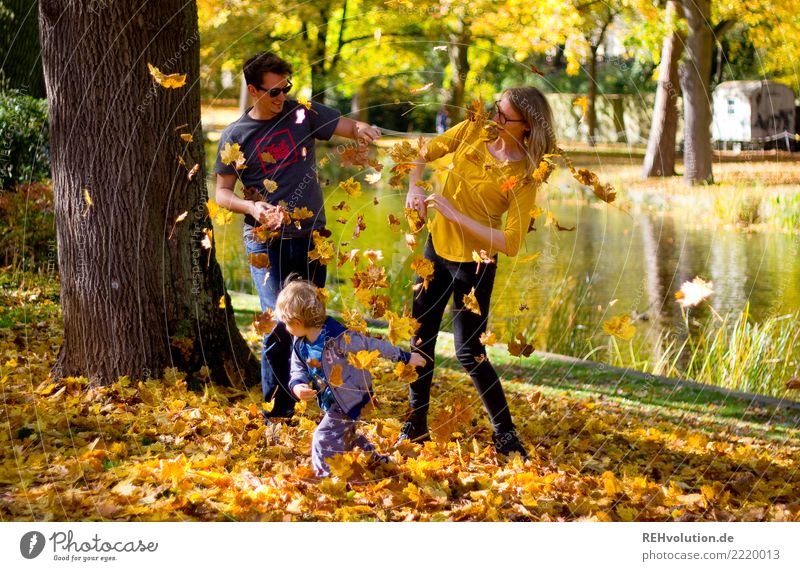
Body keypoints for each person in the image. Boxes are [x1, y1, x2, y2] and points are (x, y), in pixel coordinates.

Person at [213, 52, 382, 423]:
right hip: (265, 241)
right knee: (278, 320)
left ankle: (322, 400)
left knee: (310, 319)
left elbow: (348, 127)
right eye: (274, 91)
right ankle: (277, 412)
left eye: (286, 88)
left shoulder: (301, 113)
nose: (282, 97)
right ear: (253, 90)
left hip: (312, 238)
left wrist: (363, 130)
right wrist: (254, 209)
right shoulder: (236, 136)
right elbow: (221, 193)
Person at [400, 87, 557, 458]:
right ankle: (415, 423)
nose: (493, 119)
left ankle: (505, 434)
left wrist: (457, 215)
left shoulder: (524, 175)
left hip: (476, 265)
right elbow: (423, 152)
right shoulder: (473, 130)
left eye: (502, 116)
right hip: (436, 250)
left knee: (470, 352)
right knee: (420, 339)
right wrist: (413, 188)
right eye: (494, 110)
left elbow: (511, 241)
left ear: (526, 127)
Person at [277, 278, 426, 477]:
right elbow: (297, 369)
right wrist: (298, 385)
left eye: (286, 324)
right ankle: (377, 460)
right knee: (348, 435)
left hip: (350, 397)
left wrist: (405, 357)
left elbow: (372, 345)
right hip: (332, 400)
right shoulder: (300, 343)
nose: (286, 329)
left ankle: (325, 479)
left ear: (297, 322)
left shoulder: (339, 339)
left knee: (323, 437)